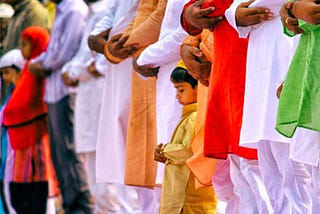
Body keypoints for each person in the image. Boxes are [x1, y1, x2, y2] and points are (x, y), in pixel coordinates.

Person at [28, 0, 92, 213]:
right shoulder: (63, 9)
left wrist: (42, 64)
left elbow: (64, 52)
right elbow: (54, 48)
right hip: (54, 90)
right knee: (59, 154)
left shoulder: (74, 9)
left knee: (69, 152)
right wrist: (41, 62)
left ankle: (80, 206)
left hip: (66, 91)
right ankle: (69, 203)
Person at [61, 0, 122, 213]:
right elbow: (83, 55)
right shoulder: (92, 12)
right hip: (87, 98)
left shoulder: (107, 7)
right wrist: (71, 70)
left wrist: (77, 71)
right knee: (94, 174)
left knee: (109, 174)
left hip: (102, 91)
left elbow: (97, 62)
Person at [154, 64, 217, 213]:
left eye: (181, 89)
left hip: (189, 199)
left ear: (199, 87)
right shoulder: (189, 116)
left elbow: (189, 152)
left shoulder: (195, 118)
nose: (177, 96)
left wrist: (165, 150)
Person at [0, 49, 25, 214]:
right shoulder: (12, 93)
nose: (5, 78)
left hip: (17, 147)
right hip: (7, 145)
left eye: (7, 72)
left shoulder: (23, 92)